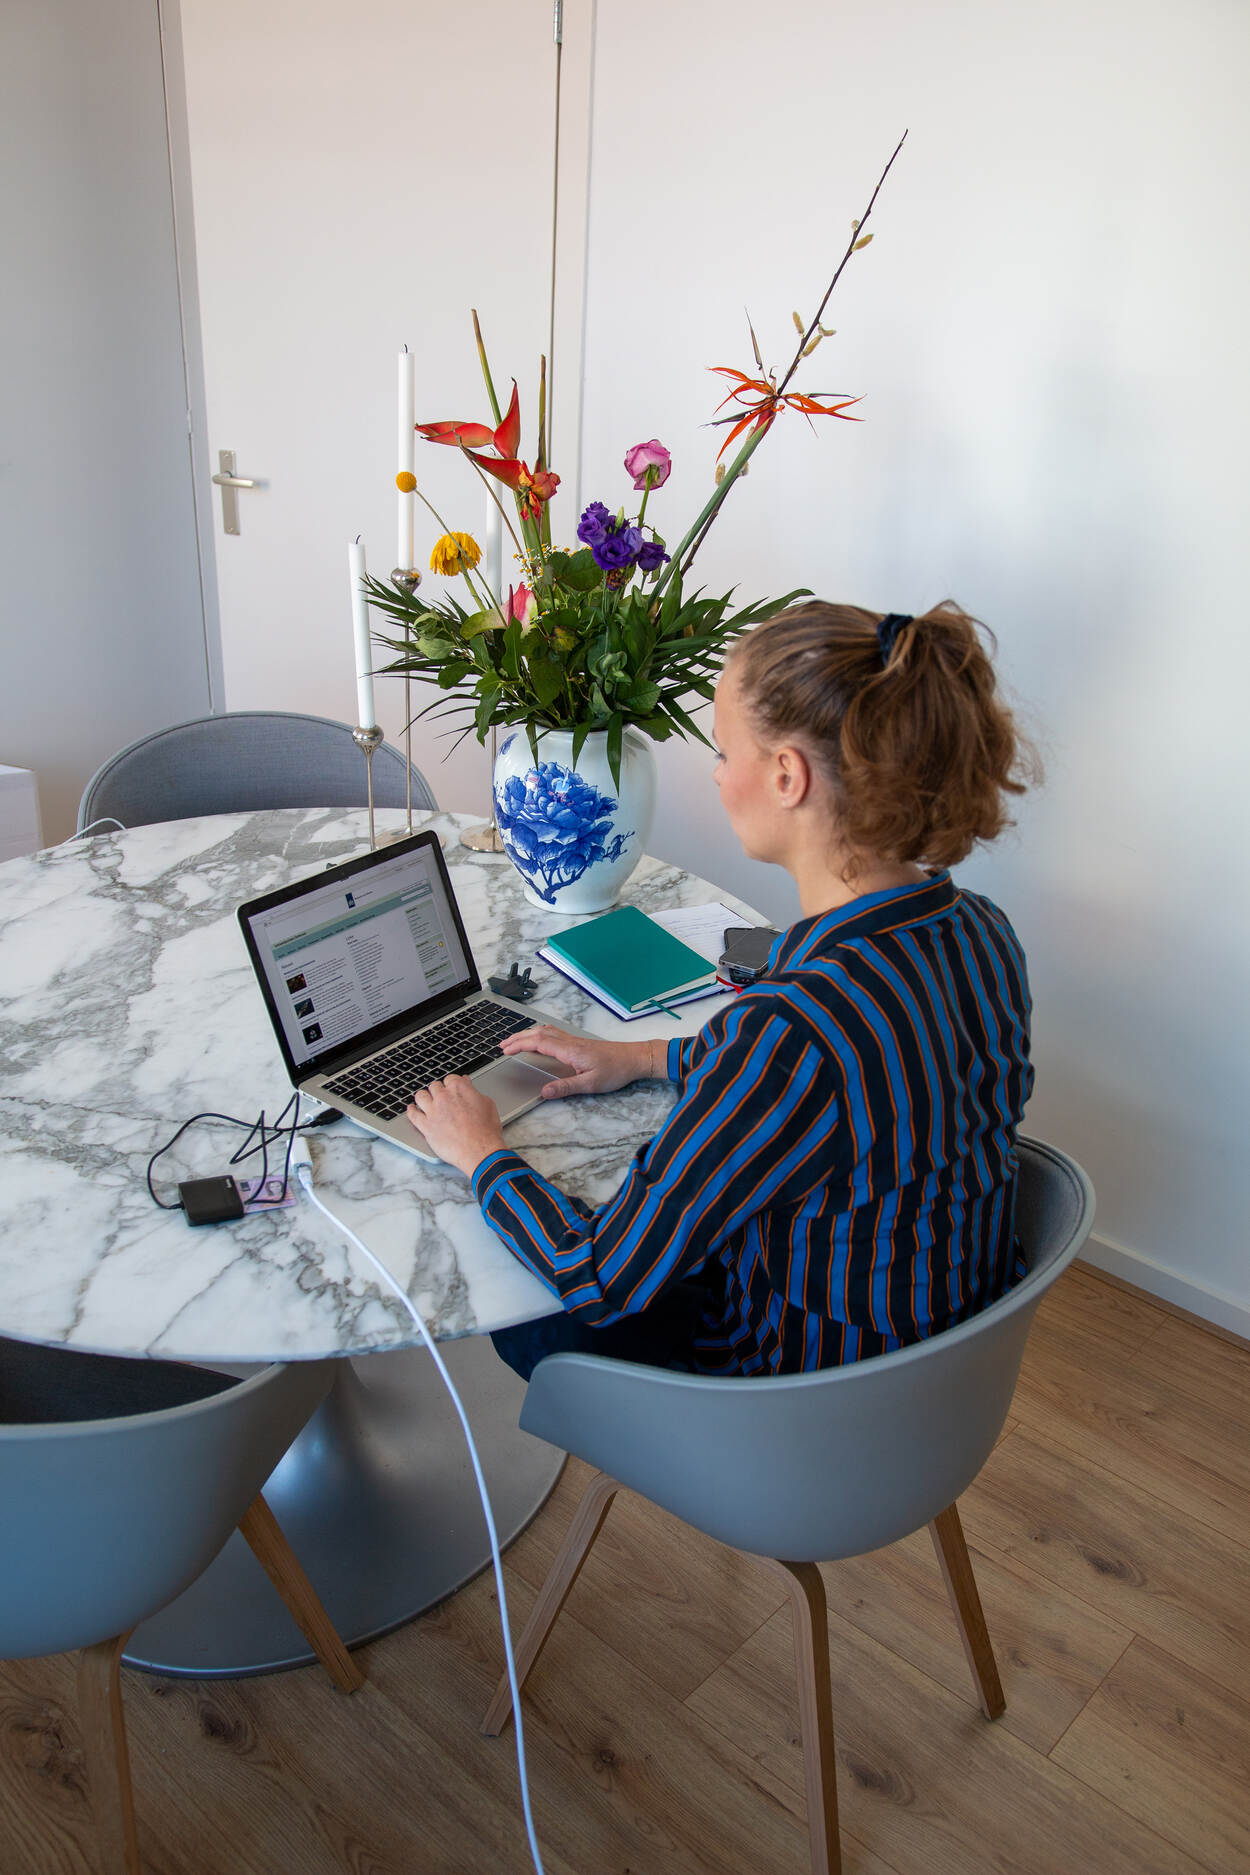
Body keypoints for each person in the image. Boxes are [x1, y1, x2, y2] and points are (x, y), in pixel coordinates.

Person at [409, 601, 1038, 1379]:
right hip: (947, 1364)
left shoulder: (788, 1030)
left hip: (800, 1401)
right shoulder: (983, 932)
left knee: (528, 1311)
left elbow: (597, 1274)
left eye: (722, 749)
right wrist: (644, 1056)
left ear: (786, 776)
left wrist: (482, 1153)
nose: (715, 773)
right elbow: (837, 1077)